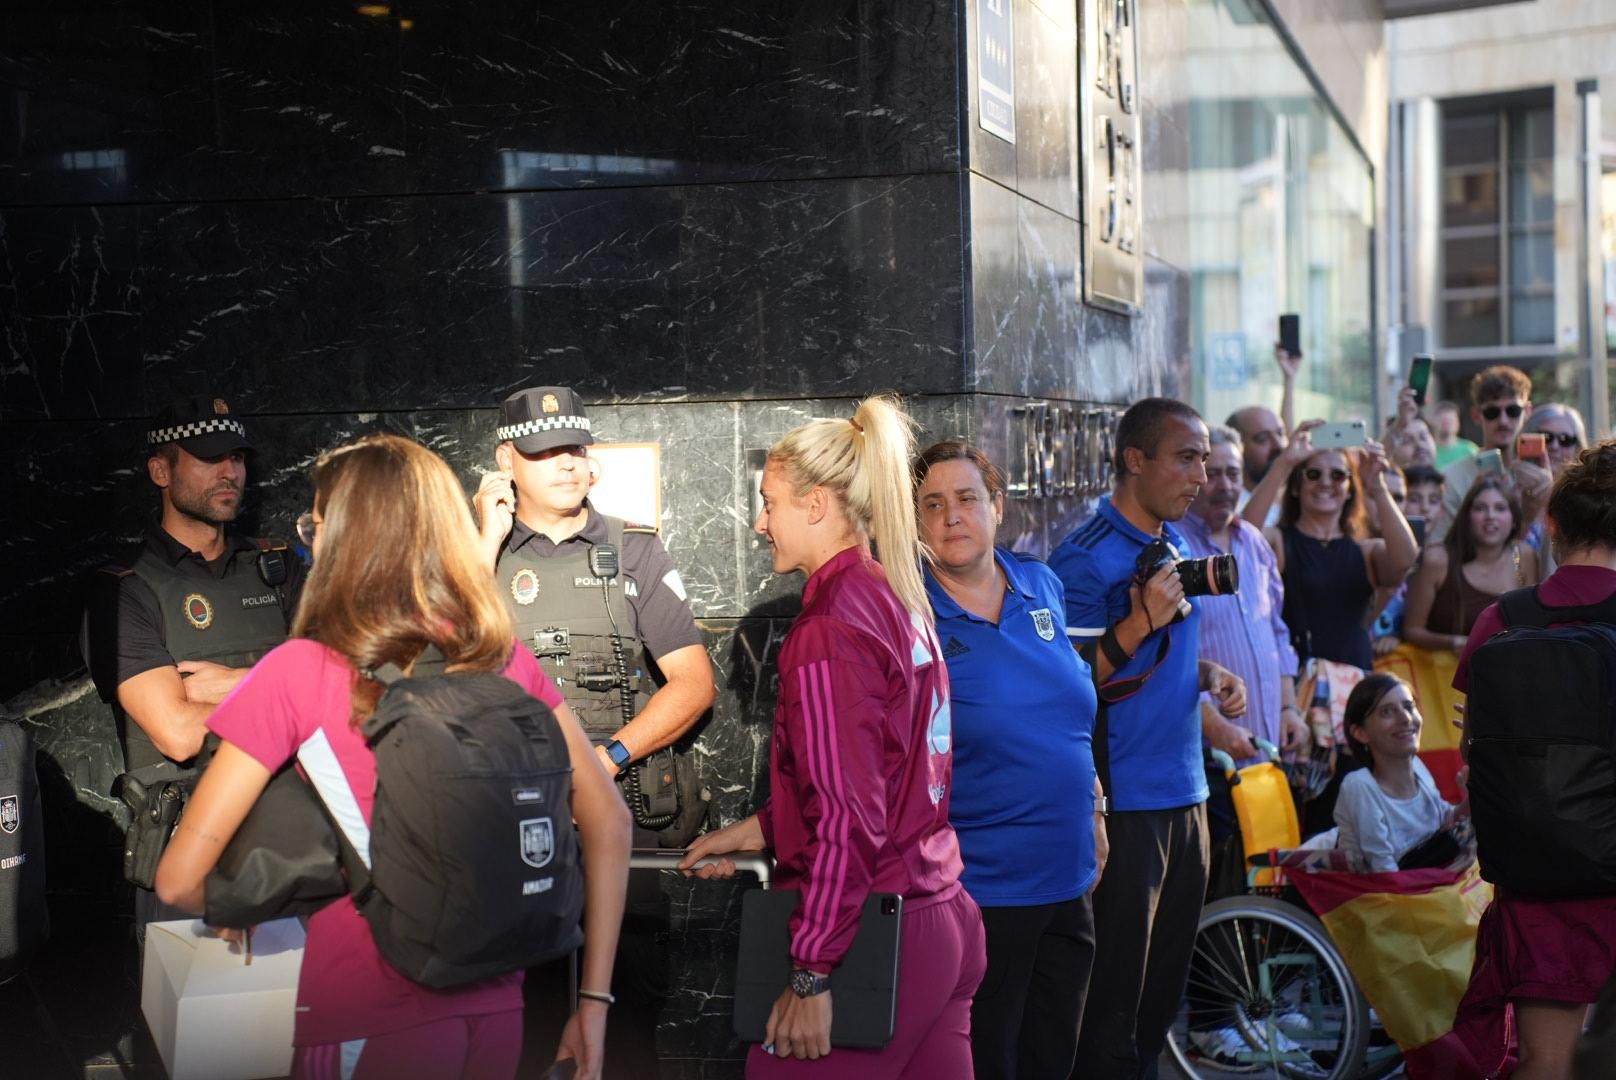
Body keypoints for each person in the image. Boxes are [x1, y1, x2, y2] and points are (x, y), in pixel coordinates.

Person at [152, 434, 632, 1080]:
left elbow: (179, 879)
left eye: (317, 525)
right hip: (496, 1016)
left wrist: (245, 903)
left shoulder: (299, 669)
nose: (310, 543)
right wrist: (593, 1006)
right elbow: (610, 822)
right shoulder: (502, 657)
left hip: (361, 1019)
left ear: (345, 538)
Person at [680, 396, 985, 1078]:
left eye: (770, 502)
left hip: (874, 936)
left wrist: (813, 970)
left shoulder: (829, 629)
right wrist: (765, 826)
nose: (760, 523)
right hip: (941, 917)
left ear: (817, 504)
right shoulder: (893, 595)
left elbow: (850, 814)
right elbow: (886, 769)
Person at [473, 385, 716, 1074]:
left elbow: (693, 684)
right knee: (519, 1029)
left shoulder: (635, 549)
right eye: (546, 451)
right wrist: (482, 545)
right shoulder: (473, 556)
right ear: (506, 461)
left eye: (576, 448)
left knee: (629, 1026)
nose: (567, 464)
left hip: (623, 823)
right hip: (508, 835)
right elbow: (440, 671)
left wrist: (606, 758)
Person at [1047, 398, 1248, 1077]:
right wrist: (1138, 625)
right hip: (1123, 802)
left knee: (1158, 1007)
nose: (1203, 473)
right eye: (1187, 457)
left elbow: (1154, 660)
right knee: (1111, 1012)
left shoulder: (1174, 539)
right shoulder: (1082, 560)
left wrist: (1207, 672)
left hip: (1185, 791)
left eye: (1206, 458)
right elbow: (1064, 685)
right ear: (1136, 461)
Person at [80, 396, 306, 937]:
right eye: (209, 457)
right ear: (161, 469)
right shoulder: (124, 591)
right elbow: (179, 734)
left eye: (239, 457)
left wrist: (239, 682)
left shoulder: (277, 569)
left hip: (297, 843)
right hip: (189, 858)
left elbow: (347, 687)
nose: (231, 471)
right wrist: (290, 686)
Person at [913, 439, 1103, 1080]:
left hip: (1071, 878)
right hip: (982, 894)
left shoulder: (1041, 583)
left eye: (967, 499)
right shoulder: (912, 615)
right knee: (992, 1062)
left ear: (997, 506)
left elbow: (1074, 707)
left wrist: (1098, 808)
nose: (951, 516)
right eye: (932, 505)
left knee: (1053, 1059)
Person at [1451, 440, 1616, 1080]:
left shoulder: (1503, 618)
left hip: (1535, 872)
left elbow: (1474, 752)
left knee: (1546, 1062)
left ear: (1551, 525)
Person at [1178, 426, 1306, 765]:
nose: (1225, 486)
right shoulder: (1173, 548)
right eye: (1214, 474)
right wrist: (1216, 727)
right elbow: (1167, 657)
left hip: (1266, 753)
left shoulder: (1253, 541)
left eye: (1233, 474)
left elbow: (1277, 632)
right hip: (1212, 759)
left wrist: (1288, 708)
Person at [1243, 422, 1418, 670]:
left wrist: (1377, 487)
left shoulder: (1367, 551)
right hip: (1294, 689)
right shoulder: (1278, 541)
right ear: (1296, 487)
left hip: (1354, 686)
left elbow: (1406, 561)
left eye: (1338, 475)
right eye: (1313, 474)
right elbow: (1242, 539)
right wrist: (1284, 463)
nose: (1326, 483)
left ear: (1349, 490)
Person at [1334, 673, 1459, 872]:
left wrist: (1472, 794)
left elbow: (1445, 822)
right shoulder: (1359, 786)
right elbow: (1385, 875)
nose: (1406, 718)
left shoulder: (1418, 766)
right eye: (1387, 712)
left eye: (1409, 707)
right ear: (1360, 733)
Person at [1401, 474, 1537, 655]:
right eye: (1480, 508)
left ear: (1513, 520)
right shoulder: (1437, 560)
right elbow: (1412, 630)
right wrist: (1451, 642)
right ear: (1467, 517)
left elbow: (1532, 626)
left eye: (1500, 508)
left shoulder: (1524, 555)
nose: (1490, 516)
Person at [1435, 366, 1550, 543]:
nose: (1503, 421)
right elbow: (1444, 547)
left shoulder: (1542, 476)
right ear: (1476, 415)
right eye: (1492, 413)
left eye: (1513, 411)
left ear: (1527, 412)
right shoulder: (1452, 477)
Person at [1225, 345, 1299, 525]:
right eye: (1262, 439)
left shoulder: (1298, 495)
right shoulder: (1228, 504)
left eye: (1280, 434)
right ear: (1237, 450)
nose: (1278, 445)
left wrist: (1289, 380)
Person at [1385, 387, 1438, 471]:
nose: (1419, 445)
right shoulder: (1384, 483)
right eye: (1407, 440)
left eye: (1423, 437)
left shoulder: (1450, 481)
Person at [1432, 401, 1479, 470]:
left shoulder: (1469, 450)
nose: (1447, 425)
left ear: (1458, 423)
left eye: (1450, 421)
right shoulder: (1428, 451)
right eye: (1443, 421)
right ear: (1433, 422)